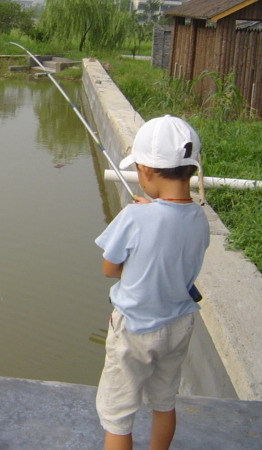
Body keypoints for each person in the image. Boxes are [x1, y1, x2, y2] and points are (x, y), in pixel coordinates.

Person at [94, 115, 210, 450]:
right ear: (190, 170)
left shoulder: (135, 216)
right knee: (164, 402)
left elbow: (109, 268)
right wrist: (151, 211)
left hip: (135, 330)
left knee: (117, 416)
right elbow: (171, 239)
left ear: (145, 171)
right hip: (179, 325)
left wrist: (139, 216)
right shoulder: (200, 220)